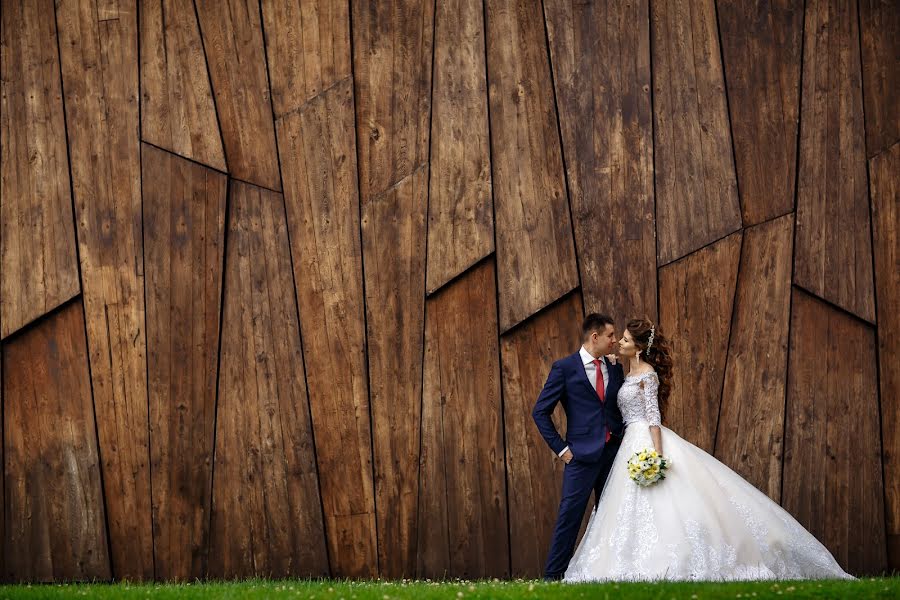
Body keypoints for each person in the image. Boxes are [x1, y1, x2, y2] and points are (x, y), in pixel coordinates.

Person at [562, 318, 853, 581]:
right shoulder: (622, 369)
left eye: (624, 339)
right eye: (619, 338)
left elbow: (653, 417)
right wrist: (613, 359)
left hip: (644, 441)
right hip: (627, 442)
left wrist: (658, 455)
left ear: (638, 347)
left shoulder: (647, 374)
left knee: (660, 502)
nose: (619, 343)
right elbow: (616, 380)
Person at [532, 313, 626, 581]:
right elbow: (540, 412)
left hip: (612, 454)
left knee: (614, 514)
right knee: (569, 516)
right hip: (580, 457)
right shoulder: (564, 368)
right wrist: (562, 450)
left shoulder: (613, 366)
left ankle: (612, 572)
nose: (615, 340)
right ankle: (553, 576)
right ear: (594, 337)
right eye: (610, 335)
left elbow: (615, 407)